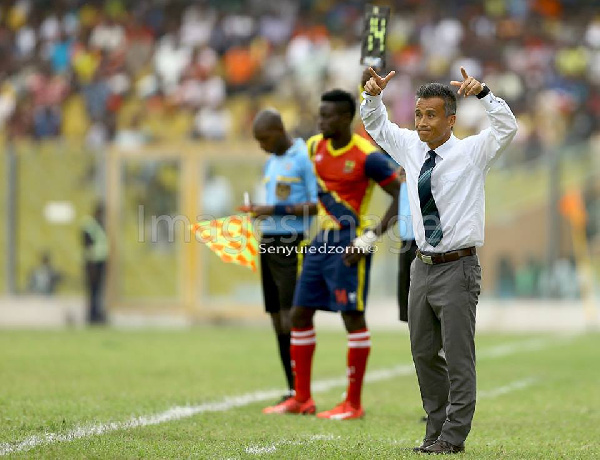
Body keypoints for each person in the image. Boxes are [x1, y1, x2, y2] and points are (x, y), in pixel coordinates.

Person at [361, 67, 517, 453]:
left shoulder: (472, 152)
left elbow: (507, 127)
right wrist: (372, 96)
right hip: (422, 265)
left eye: (431, 115)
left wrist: (483, 93)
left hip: (458, 267)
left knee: (459, 356)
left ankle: (453, 436)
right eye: (418, 114)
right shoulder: (411, 147)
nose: (422, 122)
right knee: (423, 353)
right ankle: (434, 430)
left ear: (451, 119)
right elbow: (376, 125)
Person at [263, 89, 401, 420]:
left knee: (352, 317)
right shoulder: (314, 147)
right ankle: (302, 399)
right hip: (321, 241)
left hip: (349, 245)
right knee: (299, 313)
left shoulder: (367, 156)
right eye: (319, 115)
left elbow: (401, 195)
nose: (320, 121)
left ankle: (353, 403)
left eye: (326, 116)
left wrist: (370, 238)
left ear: (344, 119)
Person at [240, 108, 318, 408]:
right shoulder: (272, 162)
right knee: (275, 315)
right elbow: (276, 204)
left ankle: (302, 393)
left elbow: (315, 205)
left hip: (291, 242)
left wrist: (274, 211)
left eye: (263, 139)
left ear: (276, 131)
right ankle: (291, 389)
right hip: (268, 241)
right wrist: (260, 211)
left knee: (291, 314)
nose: (261, 145)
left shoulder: (302, 158)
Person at [396, 167, 418, 322]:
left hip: (423, 241)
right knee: (406, 298)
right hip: (406, 241)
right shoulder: (402, 171)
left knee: (421, 297)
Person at [82, 202, 109, 324]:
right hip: (92, 263)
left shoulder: (99, 225)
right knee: (92, 291)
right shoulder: (90, 225)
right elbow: (87, 245)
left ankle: (96, 314)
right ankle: (92, 316)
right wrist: (91, 265)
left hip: (100, 261)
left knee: (97, 291)